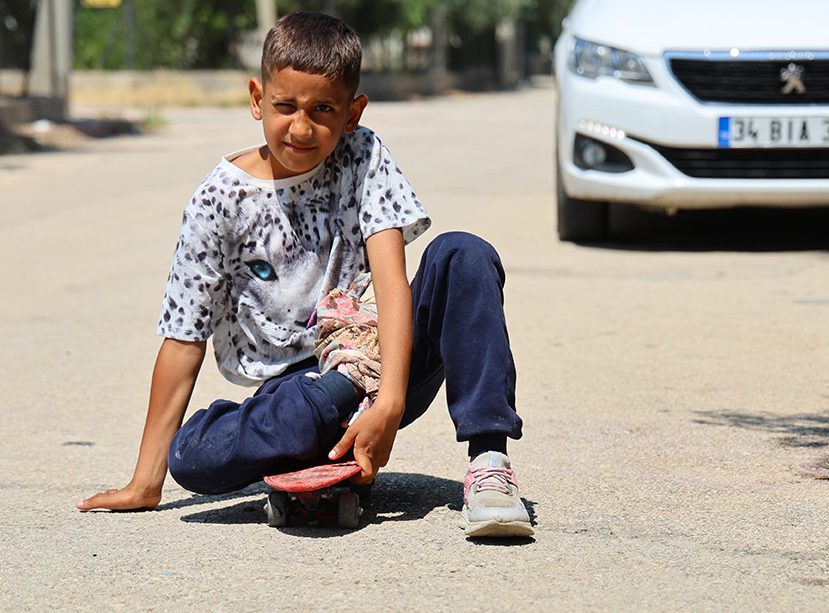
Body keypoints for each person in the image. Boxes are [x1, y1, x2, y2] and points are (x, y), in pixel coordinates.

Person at [77, 11, 532, 537]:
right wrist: (145, 482)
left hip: (379, 357)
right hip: (295, 392)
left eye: (323, 110)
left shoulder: (362, 157)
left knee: (463, 253)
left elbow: (390, 284)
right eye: (284, 106)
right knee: (193, 456)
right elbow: (183, 341)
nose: (300, 126)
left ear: (353, 112)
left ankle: (490, 467)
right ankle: (316, 429)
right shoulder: (217, 202)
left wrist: (389, 401)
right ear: (256, 99)